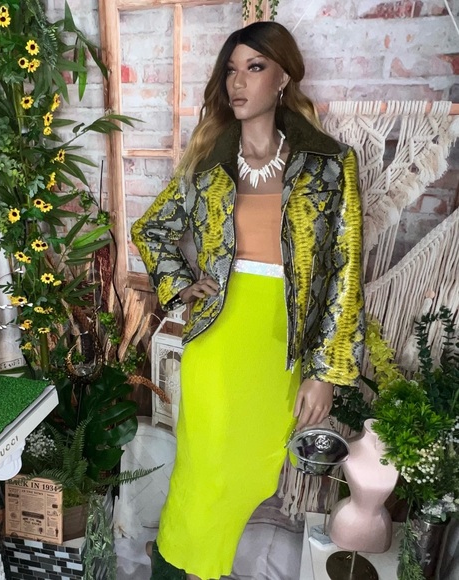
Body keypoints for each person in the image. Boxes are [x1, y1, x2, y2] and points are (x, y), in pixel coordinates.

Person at [131, 21, 365, 580]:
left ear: (283, 77)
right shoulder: (209, 162)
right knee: (201, 475)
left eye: (254, 68)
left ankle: (195, 566)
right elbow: (150, 228)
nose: (238, 83)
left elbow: (346, 272)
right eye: (231, 70)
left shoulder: (330, 163)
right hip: (217, 341)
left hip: (280, 347)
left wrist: (325, 372)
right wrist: (180, 284)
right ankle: (175, 568)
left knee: (249, 476)